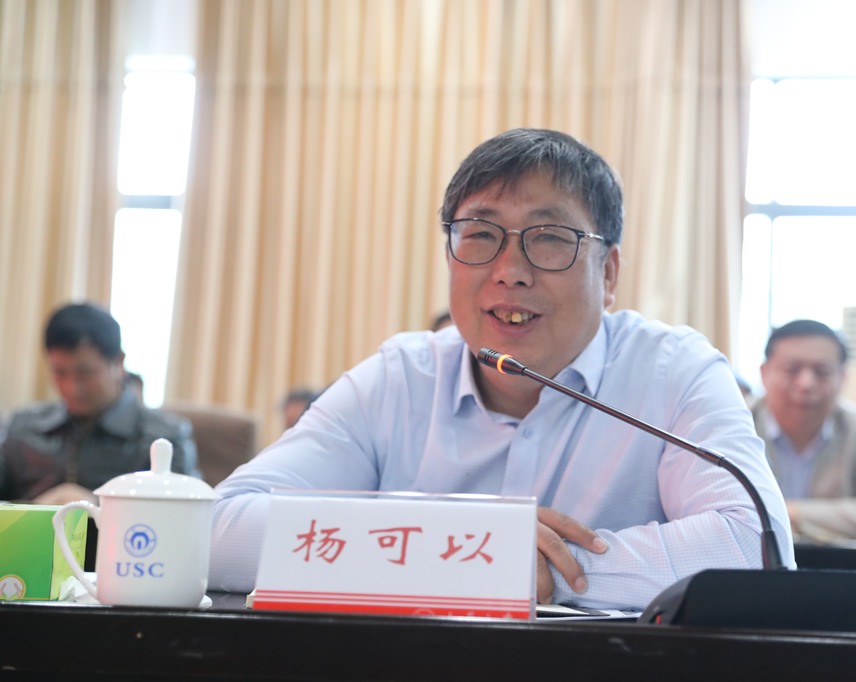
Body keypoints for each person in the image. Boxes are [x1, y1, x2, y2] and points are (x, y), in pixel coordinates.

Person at [210, 128, 794, 608]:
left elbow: (754, 547)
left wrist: (529, 567)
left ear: (609, 273)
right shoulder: (400, 377)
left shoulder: (674, 371)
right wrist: (465, 548)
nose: (510, 270)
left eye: (549, 238)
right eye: (481, 234)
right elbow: (218, 530)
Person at [0, 303, 200, 504]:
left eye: (85, 373)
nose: (71, 388)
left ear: (119, 362)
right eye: (59, 372)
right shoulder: (23, 427)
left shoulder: (163, 438)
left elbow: (187, 512)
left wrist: (99, 507)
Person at [751, 319, 856, 542]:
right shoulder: (734, 425)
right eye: (791, 369)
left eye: (822, 371)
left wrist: (782, 512)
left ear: (843, 378)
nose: (806, 383)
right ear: (764, 373)